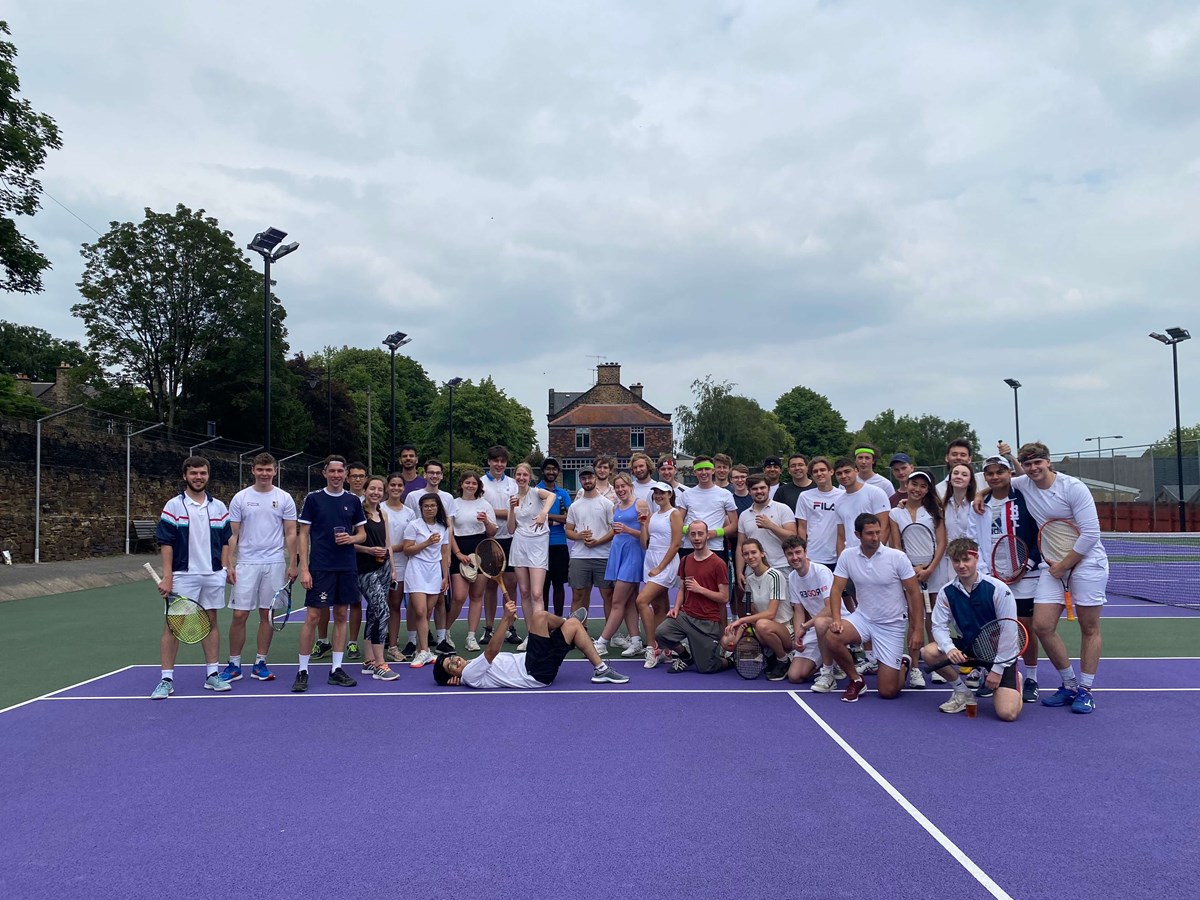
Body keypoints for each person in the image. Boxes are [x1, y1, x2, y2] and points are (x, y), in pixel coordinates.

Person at [1009, 442, 1109, 714]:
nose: (1033, 468)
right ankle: (1069, 685)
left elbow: (1091, 534)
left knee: (1089, 628)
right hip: (1053, 567)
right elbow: (1001, 480)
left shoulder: (1073, 488)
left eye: (1037, 463)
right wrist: (982, 494)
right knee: (1042, 626)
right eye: (1027, 464)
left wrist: (1063, 566)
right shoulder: (1024, 483)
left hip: (1087, 564)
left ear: (1048, 461)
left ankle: (1086, 691)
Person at [150, 456, 233, 699]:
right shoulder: (173, 506)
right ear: (185, 476)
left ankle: (212, 675)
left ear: (208, 476)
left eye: (203, 473)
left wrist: (225, 568)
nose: (198, 477)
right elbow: (166, 543)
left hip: (213, 575)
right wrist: (167, 577)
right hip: (183, 576)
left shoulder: (218, 506)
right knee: (173, 626)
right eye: (194, 473)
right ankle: (166, 679)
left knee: (211, 624)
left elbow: (226, 540)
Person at [920, 538, 1023, 721]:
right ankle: (963, 693)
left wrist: (998, 670)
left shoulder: (998, 589)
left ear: (976, 559)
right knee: (929, 652)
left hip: (999, 653)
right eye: (956, 561)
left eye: (966, 560)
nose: (961, 565)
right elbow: (939, 626)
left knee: (1007, 713)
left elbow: (1009, 633)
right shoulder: (946, 592)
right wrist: (950, 648)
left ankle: (1016, 679)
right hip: (970, 649)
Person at [825, 513, 924, 701]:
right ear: (857, 534)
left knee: (887, 692)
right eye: (870, 533)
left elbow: (914, 593)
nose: (876, 537)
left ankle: (903, 664)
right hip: (863, 618)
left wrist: (917, 629)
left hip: (892, 624)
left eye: (878, 532)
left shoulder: (897, 557)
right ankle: (856, 680)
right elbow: (836, 589)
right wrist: (837, 619)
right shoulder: (847, 556)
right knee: (832, 636)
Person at [222, 452, 298, 684]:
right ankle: (234, 664)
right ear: (253, 470)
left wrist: (293, 563)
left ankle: (260, 663)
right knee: (239, 615)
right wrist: (228, 563)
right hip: (246, 563)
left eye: (269, 469)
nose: (264, 473)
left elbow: (291, 533)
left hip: (275, 563)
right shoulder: (240, 498)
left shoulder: (284, 498)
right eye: (260, 469)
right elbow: (232, 533)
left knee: (267, 614)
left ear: (275, 471)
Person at [293, 455, 365, 693]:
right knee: (313, 617)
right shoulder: (313, 499)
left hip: (346, 566)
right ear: (325, 473)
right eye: (332, 471)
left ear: (345, 474)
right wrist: (304, 568)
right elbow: (303, 534)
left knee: (342, 615)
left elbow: (362, 534)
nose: (336, 475)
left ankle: (336, 669)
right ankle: (302, 670)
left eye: (340, 471)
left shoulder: (353, 501)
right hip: (321, 566)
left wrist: (351, 538)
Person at [432, 601, 628, 688]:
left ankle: (601, 670)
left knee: (575, 626)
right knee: (540, 616)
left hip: (537, 666)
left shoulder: (471, 670)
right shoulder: (469, 674)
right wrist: (506, 620)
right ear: (454, 678)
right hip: (533, 670)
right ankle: (563, 623)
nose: (456, 661)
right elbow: (491, 650)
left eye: (452, 658)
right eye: (452, 666)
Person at [973, 455, 1042, 703]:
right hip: (993, 577)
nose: (994, 477)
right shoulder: (980, 505)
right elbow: (976, 542)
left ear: (1009, 473)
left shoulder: (1025, 499)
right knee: (993, 629)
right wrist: (986, 573)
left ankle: (1031, 677)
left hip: (1025, 576)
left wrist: (1027, 565)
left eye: (999, 471)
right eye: (989, 473)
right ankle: (994, 673)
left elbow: (1038, 535)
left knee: (1025, 628)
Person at [887, 470, 946, 688]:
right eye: (914, 484)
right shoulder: (895, 513)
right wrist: (910, 569)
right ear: (907, 483)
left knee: (935, 621)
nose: (917, 489)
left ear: (928, 490)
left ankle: (938, 665)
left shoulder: (935, 511)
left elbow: (941, 543)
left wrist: (930, 569)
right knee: (915, 620)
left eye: (923, 486)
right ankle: (914, 670)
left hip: (934, 571)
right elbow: (896, 546)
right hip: (908, 571)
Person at [654, 521, 732, 674]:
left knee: (706, 668)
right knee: (660, 633)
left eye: (700, 534)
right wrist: (676, 608)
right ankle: (685, 656)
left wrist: (700, 589)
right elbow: (682, 589)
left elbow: (724, 597)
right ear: (688, 536)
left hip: (708, 621)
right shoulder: (685, 561)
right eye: (693, 534)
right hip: (686, 616)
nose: (697, 538)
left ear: (707, 535)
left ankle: (728, 661)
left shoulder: (718, 563)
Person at [595, 473, 650, 657]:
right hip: (618, 552)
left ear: (630, 486)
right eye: (617, 487)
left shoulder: (640, 504)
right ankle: (636, 642)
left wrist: (627, 530)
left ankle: (602, 643)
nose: (620, 490)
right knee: (628, 601)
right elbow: (615, 532)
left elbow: (645, 534)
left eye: (623, 486)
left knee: (617, 601)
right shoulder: (615, 507)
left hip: (634, 554)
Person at [722, 539, 793, 681]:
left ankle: (784, 659)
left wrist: (741, 620)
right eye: (746, 554)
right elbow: (751, 612)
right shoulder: (749, 581)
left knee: (762, 624)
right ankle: (770, 653)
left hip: (785, 629)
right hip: (763, 629)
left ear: (762, 554)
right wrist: (739, 631)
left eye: (754, 552)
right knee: (727, 642)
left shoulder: (775, 576)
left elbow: (771, 613)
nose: (750, 556)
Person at [779, 535, 842, 690]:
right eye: (790, 554)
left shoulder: (821, 571)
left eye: (798, 552)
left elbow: (830, 608)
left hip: (837, 621)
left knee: (821, 623)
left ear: (805, 552)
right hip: (815, 626)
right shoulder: (793, 577)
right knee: (795, 676)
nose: (795, 557)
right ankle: (833, 659)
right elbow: (798, 610)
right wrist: (798, 634)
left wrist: (805, 627)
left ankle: (830, 670)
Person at [354, 476, 400, 681]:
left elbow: (387, 543)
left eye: (379, 489)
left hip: (383, 569)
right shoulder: (357, 513)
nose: (376, 492)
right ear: (365, 490)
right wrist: (368, 550)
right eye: (372, 488)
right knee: (383, 612)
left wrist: (392, 568)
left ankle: (369, 660)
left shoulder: (383, 513)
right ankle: (381, 664)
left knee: (374, 612)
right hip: (364, 570)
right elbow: (348, 543)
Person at [508, 461, 559, 644]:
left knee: (537, 593)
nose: (521, 478)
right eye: (518, 475)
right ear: (515, 477)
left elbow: (551, 496)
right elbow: (511, 528)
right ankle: (531, 635)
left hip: (537, 545)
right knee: (524, 592)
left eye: (525, 475)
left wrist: (544, 513)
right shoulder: (513, 498)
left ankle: (540, 635)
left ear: (530, 477)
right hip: (519, 545)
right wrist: (511, 509)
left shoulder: (536, 492)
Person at [636, 481, 683, 669]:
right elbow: (644, 544)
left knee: (641, 601)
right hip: (651, 559)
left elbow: (676, 544)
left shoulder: (675, 514)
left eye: (662, 493)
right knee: (659, 607)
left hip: (666, 563)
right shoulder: (653, 515)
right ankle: (665, 647)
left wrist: (660, 568)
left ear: (670, 494)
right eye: (656, 493)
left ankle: (652, 646)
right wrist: (643, 525)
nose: (658, 496)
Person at [448, 471, 497, 652]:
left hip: (481, 551)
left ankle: (471, 637)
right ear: (461, 484)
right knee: (459, 597)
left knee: (477, 597)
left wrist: (486, 522)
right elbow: (449, 532)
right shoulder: (453, 504)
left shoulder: (485, 505)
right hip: (459, 551)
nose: (470, 486)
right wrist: (458, 553)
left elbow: (492, 532)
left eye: (474, 483)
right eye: (467, 482)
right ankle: (444, 632)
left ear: (478, 486)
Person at [402, 493, 451, 668]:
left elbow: (445, 553)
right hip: (416, 570)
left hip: (434, 572)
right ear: (421, 508)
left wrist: (445, 576)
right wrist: (427, 543)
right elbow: (407, 550)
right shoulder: (414, 526)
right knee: (420, 611)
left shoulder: (443, 527)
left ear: (437, 508)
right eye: (426, 506)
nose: (429, 508)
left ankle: (422, 650)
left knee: (428, 611)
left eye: (433, 505)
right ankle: (423, 651)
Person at [481, 446, 520, 646]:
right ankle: (488, 628)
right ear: (489, 462)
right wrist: (505, 512)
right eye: (495, 461)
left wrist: (493, 512)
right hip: (488, 540)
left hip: (511, 539)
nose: (499, 464)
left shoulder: (513, 484)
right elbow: (480, 512)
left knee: (511, 584)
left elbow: (517, 512)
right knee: (490, 584)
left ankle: (510, 628)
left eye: (502, 461)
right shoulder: (480, 484)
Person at [565, 466, 615, 615]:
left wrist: (598, 541)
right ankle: (577, 631)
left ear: (595, 478)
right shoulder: (575, 506)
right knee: (578, 595)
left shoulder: (607, 504)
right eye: (584, 478)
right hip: (580, 556)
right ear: (580, 480)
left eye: (590, 477)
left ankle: (608, 635)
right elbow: (568, 531)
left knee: (608, 595)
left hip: (603, 556)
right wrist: (579, 536)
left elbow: (614, 530)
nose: (587, 481)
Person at [382, 473, 416, 662]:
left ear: (403, 488)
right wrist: (380, 552)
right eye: (392, 485)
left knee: (395, 605)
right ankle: (375, 646)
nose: (396, 488)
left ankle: (393, 647)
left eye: (399, 485)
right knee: (378, 606)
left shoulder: (409, 513)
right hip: (377, 564)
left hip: (401, 565)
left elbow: (408, 542)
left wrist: (388, 550)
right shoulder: (378, 508)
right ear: (388, 487)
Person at [735, 473, 796, 578]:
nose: (759, 491)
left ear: (769, 489)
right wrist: (739, 572)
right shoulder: (744, 515)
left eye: (762, 488)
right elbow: (740, 545)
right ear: (749, 491)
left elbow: (793, 538)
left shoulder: (782, 509)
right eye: (755, 489)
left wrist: (771, 526)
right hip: (753, 569)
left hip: (781, 567)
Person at [678, 456, 738, 559]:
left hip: (715, 547)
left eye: (707, 469)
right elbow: (677, 522)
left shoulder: (725, 494)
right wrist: (691, 531)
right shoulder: (686, 494)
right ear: (695, 472)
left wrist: (715, 533)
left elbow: (734, 524)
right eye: (700, 469)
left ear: (713, 470)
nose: (703, 472)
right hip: (689, 546)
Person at [536, 457, 573, 616]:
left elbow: (569, 518)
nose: (551, 472)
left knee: (558, 585)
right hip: (539, 545)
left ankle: (558, 621)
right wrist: (556, 518)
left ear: (558, 472)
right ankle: (543, 621)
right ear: (543, 471)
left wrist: (547, 516)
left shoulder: (563, 493)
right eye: (548, 469)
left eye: (554, 469)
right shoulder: (535, 491)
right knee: (542, 586)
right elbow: (534, 516)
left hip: (559, 544)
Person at [833, 457, 892, 555]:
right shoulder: (839, 502)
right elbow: (840, 536)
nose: (843, 476)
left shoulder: (875, 492)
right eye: (839, 473)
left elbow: (884, 527)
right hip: (851, 556)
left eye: (847, 471)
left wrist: (875, 554)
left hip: (875, 555)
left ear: (856, 471)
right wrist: (841, 560)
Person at [343, 461, 369, 661]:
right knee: (349, 602)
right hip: (346, 558)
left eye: (361, 476)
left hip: (371, 560)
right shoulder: (342, 499)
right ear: (347, 478)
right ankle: (345, 643)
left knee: (365, 604)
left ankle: (355, 641)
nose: (358, 479)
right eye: (354, 476)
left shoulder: (373, 500)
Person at [796, 457, 843, 567]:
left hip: (837, 556)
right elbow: (802, 527)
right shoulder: (805, 497)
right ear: (811, 476)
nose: (819, 473)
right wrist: (803, 552)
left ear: (831, 472)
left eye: (822, 470)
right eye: (815, 471)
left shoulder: (843, 496)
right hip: (813, 556)